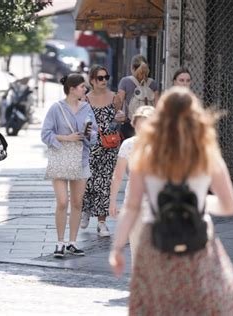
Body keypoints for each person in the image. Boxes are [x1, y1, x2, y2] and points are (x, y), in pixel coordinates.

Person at [109, 87, 233, 314]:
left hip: (156, 241)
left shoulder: (146, 155)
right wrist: (199, 202)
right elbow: (229, 205)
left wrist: (118, 248)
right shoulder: (206, 154)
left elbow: (132, 207)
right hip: (198, 241)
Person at [41, 73, 98, 258]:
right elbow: (45, 134)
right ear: (72, 88)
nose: (85, 89)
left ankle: (72, 243)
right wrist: (67, 138)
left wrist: (87, 135)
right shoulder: (56, 108)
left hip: (80, 159)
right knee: (62, 202)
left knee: (76, 202)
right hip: (60, 159)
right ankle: (59, 242)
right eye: (83, 86)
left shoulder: (87, 108)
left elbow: (94, 134)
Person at [80, 65, 125, 236]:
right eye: (100, 78)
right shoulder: (85, 100)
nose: (104, 80)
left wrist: (121, 118)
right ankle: (85, 209)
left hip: (109, 146)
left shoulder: (115, 97)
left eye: (106, 77)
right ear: (92, 80)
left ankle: (102, 222)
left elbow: (120, 116)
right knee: (89, 182)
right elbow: (82, 123)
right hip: (91, 146)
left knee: (105, 183)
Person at [108, 105, 154, 261]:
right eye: (140, 124)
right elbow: (118, 174)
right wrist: (112, 201)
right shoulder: (128, 144)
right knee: (136, 249)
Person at [117, 54, 159, 139]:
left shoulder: (125, 82)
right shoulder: (153, 83)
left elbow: (119, 104)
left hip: (130, 125)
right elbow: (158, 106)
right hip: (149, 125)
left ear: (132, 68)